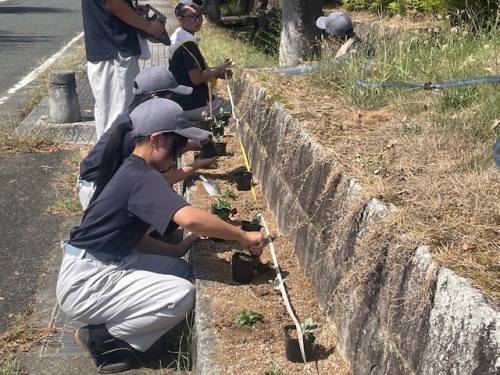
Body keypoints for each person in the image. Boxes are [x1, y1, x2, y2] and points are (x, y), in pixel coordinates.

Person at [56, 98, 264, 373]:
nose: (176, 157)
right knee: (181, 295)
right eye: (176, 149)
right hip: (86, 282)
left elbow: (134, 238)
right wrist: (242, 235)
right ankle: (103, 339)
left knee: (178, 270)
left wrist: (176, 250)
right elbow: (190, 218)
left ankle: (118, 328)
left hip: (102, 263)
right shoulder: (141, 177)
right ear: (156, 139)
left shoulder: (134, 170)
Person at [77, 65, 217, 210]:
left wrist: (189, 146)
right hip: (97, 192)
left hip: (94, 184)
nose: (174, 101)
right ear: (154, 96)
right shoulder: (140, 133)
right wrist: (197, 164)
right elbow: (162, 179)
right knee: (165, 214)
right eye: (171, 96)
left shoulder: (134, 117)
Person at [82, 0, 166, 139]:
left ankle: (108, 157)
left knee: (109, 115)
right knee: (118, 118)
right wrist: (146, 25)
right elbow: (114, 3)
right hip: (115, 53)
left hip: (107, 49)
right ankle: (112, 159)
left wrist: (132, 13)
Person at [168, 1, 233, 121]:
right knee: (237, 109)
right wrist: (221, 68)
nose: (197, 20)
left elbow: (191, 72)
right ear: (180, 20)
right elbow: (197, 79)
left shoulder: (177, 37)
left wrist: (218, 73)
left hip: (181, 100)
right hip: (193, 103)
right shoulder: (187, 44)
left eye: (199, 16)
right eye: (191, 17)